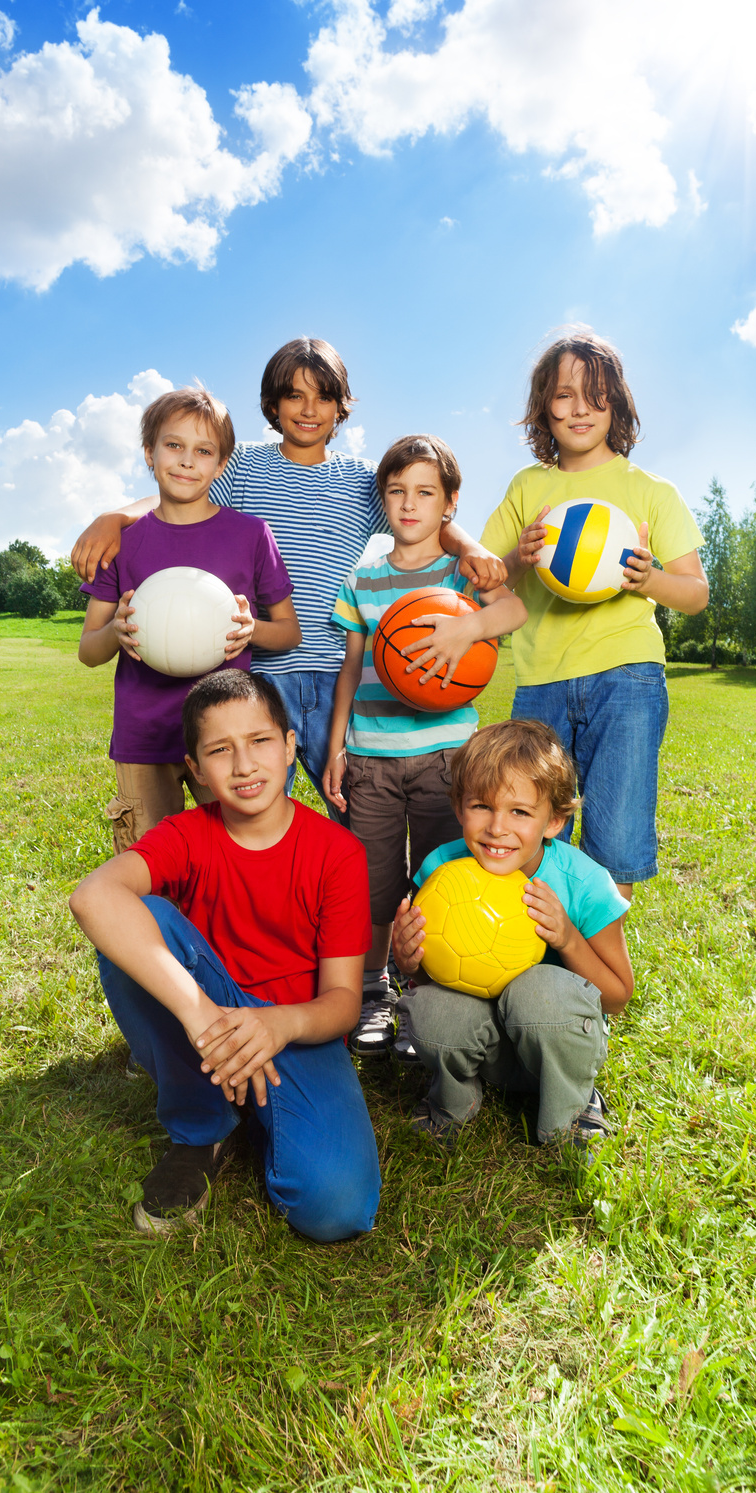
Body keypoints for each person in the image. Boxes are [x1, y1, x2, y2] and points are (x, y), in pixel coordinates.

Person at [70, 339, 506, 817]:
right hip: (258, 674)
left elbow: (423, 516)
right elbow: (175, 496)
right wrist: (114, 516)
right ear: (273, 403)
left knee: (355, 808)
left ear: (341, 408)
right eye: (295, 396)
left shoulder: (362, 481)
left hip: (336, 671)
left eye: (323, 397)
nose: (309, 409)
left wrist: (468, 546)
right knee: (259, 814)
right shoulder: (241, 465)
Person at [69, 668, 381, 1242]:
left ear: (290, 747)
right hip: (205, 1025)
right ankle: (201, 1128)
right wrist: (205, 1019)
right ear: (196, 770)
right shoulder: (187, 834)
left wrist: (277, 1025)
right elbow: (92, 897)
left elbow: (341, 1002)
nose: (243, 765)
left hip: (294, 1029)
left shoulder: (337, 852)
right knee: (140, 920)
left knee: (337, 1208)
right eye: (220, 750)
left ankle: (265, 1110)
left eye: (260, 741)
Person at [480, 330, 708, 911]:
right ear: (543, 407)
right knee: (525, 826)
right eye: (563, 395)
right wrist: (517, 558)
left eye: (595, 394)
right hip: (540, 680)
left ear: (618, 403)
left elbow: (696, 592)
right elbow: (480, 580)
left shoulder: (649, 490)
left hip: (626, 677)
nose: (579, 409)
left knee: (613, 832)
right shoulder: (529, 487)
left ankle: (595, 972)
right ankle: (525, 953)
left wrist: (648, 578)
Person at [323, 434, 528, 1058]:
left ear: (449, 503)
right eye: (396, 492)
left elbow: (513, 611)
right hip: (372, 757)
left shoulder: (458, 572)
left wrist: (469, 624)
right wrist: (337, 748)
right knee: (376, 885)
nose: (409, 505)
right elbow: (351, 669)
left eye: (425, 493)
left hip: (449, 759)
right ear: (382, 499)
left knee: (442, 877)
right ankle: (373, 990)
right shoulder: (363, 577)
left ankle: (426, 996)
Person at [390, 720, 633, 1150]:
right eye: (481, 805)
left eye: (520, 811)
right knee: (430, 1008)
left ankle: (571, 1112)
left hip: (557, 1042)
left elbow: (616, 997)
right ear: (459, 806)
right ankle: (454, 1101)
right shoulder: (442, 873)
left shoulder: (585, 882)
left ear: (554, 820)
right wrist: (410, 961)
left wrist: (568, 939)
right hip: (489, 1050)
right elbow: (433, 983)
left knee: (539, 990)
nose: (497, 827)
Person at [78, 385, 300, 851]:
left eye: (203, 451)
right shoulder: (123, 543)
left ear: (221, 465)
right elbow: (87, 651)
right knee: (153, 871)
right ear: (149, 453)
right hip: (144, 738)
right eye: (173, 445)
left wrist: (251, 629)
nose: (186, 461)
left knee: (236, 861)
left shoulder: (251, 535)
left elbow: (289, 632)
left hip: (226, 736)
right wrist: (116, 632)